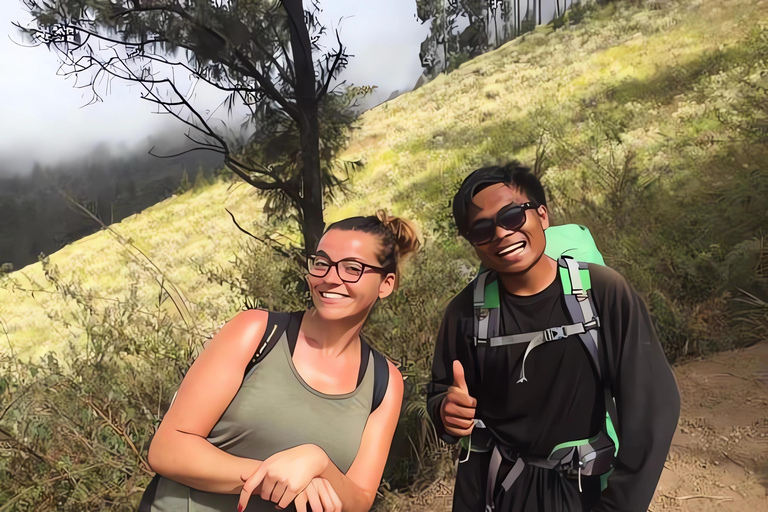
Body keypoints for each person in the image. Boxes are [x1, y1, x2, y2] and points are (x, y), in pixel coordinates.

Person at [426, 163, 680, 512]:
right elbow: (441, 391)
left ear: (542, 215)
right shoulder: (464, 313)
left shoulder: (603, 292)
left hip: (587, 490)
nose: (500, 233)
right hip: (499, 491)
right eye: (482, 229)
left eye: (512, 216)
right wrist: (445, 411)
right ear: (473, 243)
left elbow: (653, 407)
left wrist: (619, 504)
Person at [144, 211, 421, 512]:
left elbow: (359, 499)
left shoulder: (384, 382)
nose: (330, 278)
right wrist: (275, 479)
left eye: (352, 268)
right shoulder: (257, 333)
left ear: (386, 284)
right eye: (322, 263)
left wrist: (319, 463)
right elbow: (168, 448)